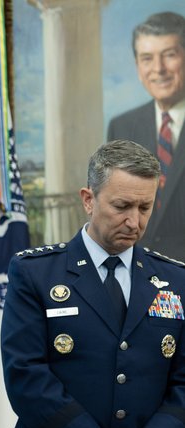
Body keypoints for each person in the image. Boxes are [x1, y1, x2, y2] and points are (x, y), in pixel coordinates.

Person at [1, 140, 185, 428]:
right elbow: (25, 374)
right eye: (122, 206)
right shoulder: (36, 274)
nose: (134, 222)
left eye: (144, 208)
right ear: (88, 200)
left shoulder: (175, 279)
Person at [107, 11, 185, 260]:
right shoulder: (121, 127)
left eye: (169, 55)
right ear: (138, 67)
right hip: (137, 269)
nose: (158, 69)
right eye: (147, 58)